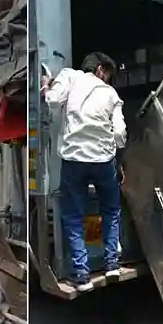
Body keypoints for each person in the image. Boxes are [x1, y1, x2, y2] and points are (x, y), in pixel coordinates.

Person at [42, 52, 126, 291]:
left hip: (75, 160)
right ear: (100, 69)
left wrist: (46, 87)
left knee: (73, 216)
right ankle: (111, 264)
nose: (108, 79)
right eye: (108, 73)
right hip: (103, 161)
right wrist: (116, 155)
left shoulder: (70, 76)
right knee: (110, 210)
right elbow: (120, 133)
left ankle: (81, 275)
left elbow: (53, 101)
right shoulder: (111, 94)